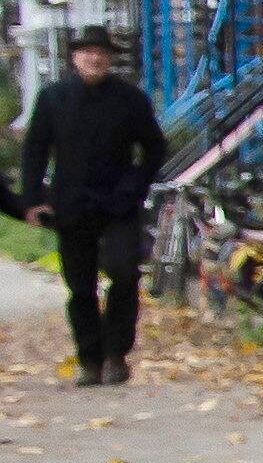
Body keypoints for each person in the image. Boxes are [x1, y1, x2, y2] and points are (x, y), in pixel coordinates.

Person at [19, 22, 165, 384]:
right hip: (72, 203)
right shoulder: (53, 98)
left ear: (110, 58)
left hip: (119, 202)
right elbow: (35, 149)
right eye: (87, 52)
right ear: (74, 58)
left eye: (101, 53)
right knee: (80, 286)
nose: (94, 58)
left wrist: (135, 185)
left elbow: (154, 148)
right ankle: (90, 359)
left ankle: (117, 352)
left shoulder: (130, 99)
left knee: (124, 272)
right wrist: (33, 199)